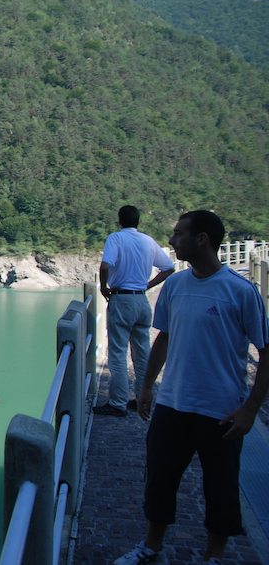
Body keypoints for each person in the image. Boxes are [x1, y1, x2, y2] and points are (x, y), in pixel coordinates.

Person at [115, 210, 269, 565]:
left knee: (221, 488)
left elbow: (265, 351)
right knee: (159, 481)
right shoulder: (175, 285)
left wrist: (250, 409)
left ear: (202, 239)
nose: (171, 240)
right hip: (172, 404)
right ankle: (151, 547)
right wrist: (147, 387)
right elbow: (163, 339)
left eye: (179, 234)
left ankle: (213, 557)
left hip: (221, 409)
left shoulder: (241, 291)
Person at [94, 205, 175, 417]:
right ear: (138, 221)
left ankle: (117, 403)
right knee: (142, 353)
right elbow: (169, 267)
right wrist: (147, 286)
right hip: (141, 301)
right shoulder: (148, 241)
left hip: (121, 300)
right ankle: (141, 398)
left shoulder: (116, 238)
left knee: (118, 354)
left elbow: (105, 266)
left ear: (119, 220)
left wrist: (103, 287)